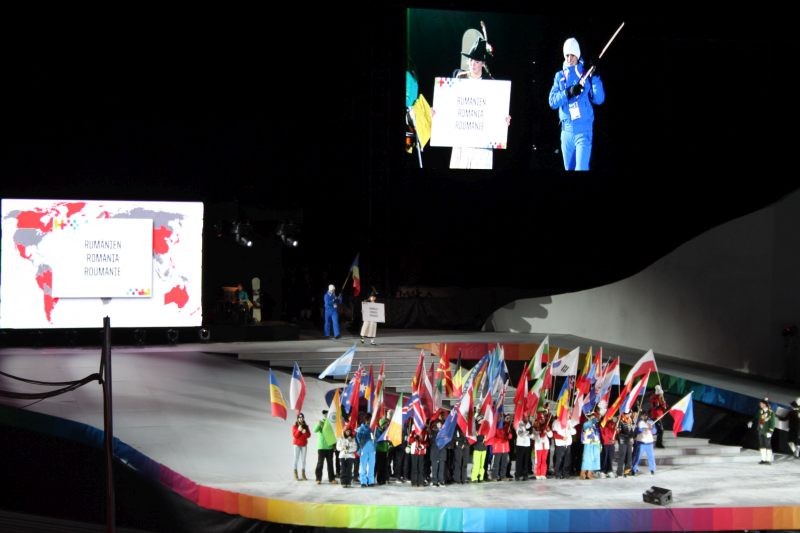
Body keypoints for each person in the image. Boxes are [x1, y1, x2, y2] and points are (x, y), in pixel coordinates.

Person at [446, 36, 511, 169]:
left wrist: (504, 120)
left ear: (482, 63)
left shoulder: (491, 84)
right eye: (471, 60)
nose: (473, 64)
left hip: (482, 144)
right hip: (462, 142)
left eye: (476, 61)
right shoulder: (460, 78)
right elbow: (450, 104)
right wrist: (439, 111)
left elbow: (496, 111)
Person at [548, 37, 605, 171]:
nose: (569, 59)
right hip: (566, 133)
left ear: (577, 55)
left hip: (583, 131)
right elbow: (552, 102)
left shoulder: (586, 73)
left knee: (581, 168)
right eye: (567, 55)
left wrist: (595, 77)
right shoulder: (559, 76)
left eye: (572, 55)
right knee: (569, 168)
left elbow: (599, 99)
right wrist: (569, 92)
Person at [748, 397, 776, 464]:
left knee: (768, 445)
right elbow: (756, 417)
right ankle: (763, 459)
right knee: (762, 445)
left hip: (767, 431)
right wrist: (751, 421)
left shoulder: (771, 413)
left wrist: (770, 431)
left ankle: (768, 460)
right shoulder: (760, 411)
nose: (760, 405)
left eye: (761, 404)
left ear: (765, 404)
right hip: (760, 430)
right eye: (760, 404)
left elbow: (772, 423)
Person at [313, 410, 337, 485]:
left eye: (327, 414)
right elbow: (314, 430)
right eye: (324, 414)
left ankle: (331, 479)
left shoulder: (331, 423)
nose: (326, 415)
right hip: (321, 447)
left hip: (330, 447)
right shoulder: (321, 422)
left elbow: (334, 434)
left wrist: (334, 445)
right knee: (320, 463)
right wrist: (319, 424)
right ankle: (318, 478)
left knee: (330, 464)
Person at [291, 412, 310, 481]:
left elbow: (308, 435)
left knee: (303, 460)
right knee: (296, 458)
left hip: (304, 445)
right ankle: (295, 473)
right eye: (299, 418)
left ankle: (303, 474)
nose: (301, 419)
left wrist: (305, 432)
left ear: (303, 418)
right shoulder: (295, 426)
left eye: (302, 418)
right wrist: (299, 430)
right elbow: (295, 436)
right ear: (297, 419)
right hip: (297, 445)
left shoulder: (306, 426)